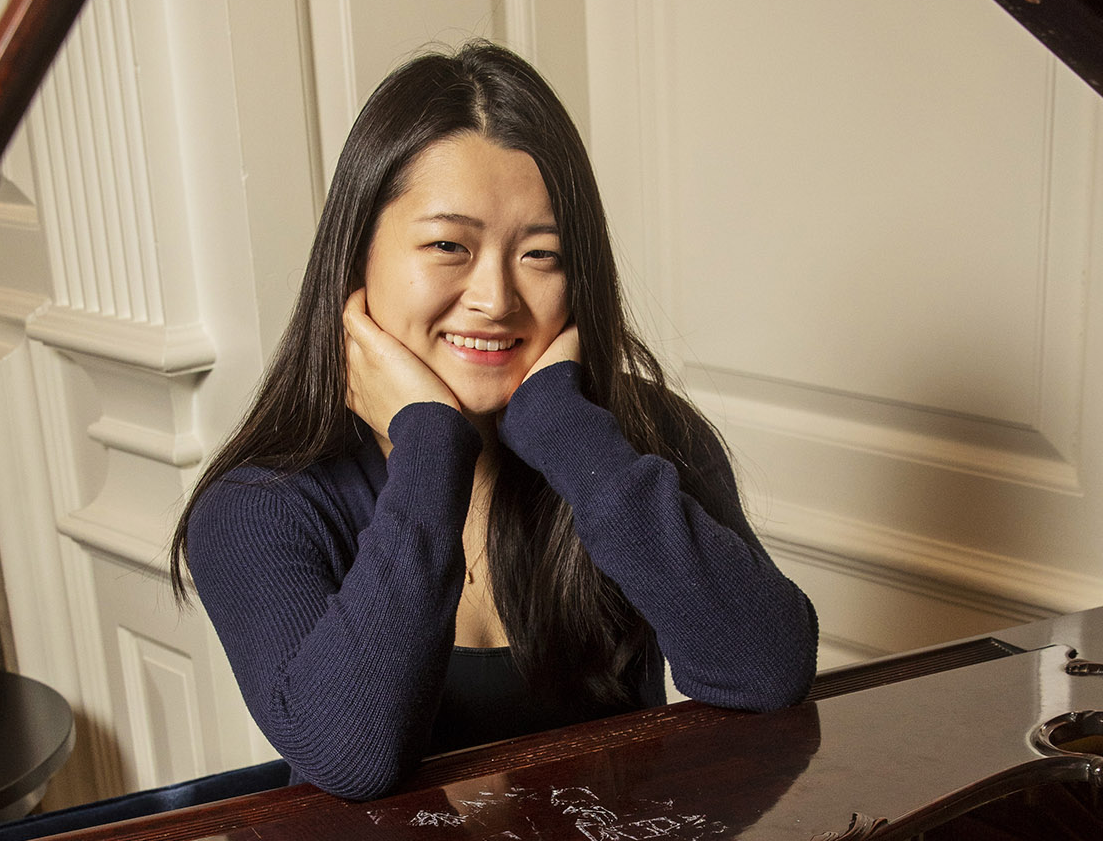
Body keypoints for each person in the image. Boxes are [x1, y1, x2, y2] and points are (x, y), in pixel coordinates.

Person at [174, 41, 818, 801]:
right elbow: (352, 760)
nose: (495, 298)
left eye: (540, 255)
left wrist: (563, 428)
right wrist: (426, 444)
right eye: (449, 245)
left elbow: (764, 674)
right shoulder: (259, 507)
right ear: (355, 258)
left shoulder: (636, 440)